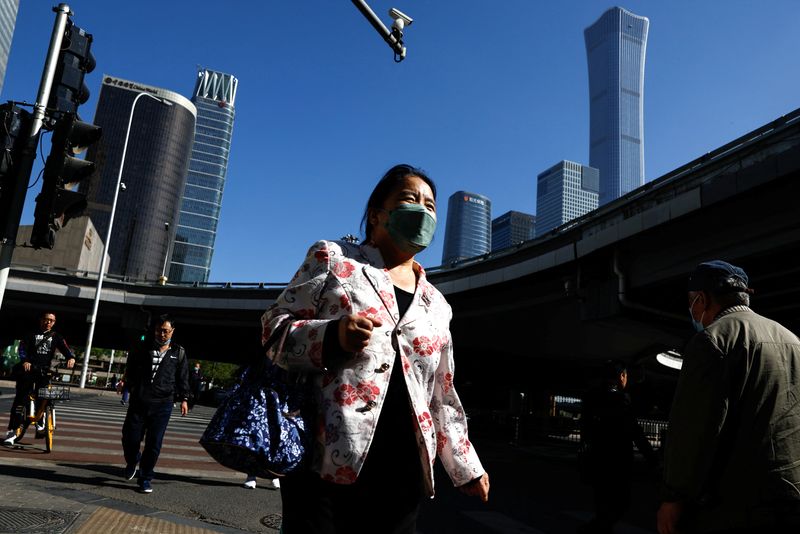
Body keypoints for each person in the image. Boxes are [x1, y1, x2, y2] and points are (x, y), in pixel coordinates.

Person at [261, 164, 490, 533]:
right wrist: (331, 335)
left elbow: (442, 395)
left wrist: (466, 467)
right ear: (376, 215)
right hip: (327, 461)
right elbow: (274, 328)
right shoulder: (335, 259)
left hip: (404, 471)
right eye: (409, 199)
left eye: (430, 205)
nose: (423, 211)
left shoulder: (437, 304)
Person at [657, 261, 800, 534]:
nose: (692, 309)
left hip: (737, 503)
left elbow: (694, 429)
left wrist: (673, 496)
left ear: (702, 298)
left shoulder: (713, 340)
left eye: (691, 301)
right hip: (790, 495)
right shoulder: (793, 340)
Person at [579, 360, 657, 534]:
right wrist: (652, 457)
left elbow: (585, 430)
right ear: (622, 376)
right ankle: (591, 531)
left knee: (602, 503)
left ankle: (596, 530)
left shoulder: (591, 396)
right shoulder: (620, 398)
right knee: (621, 503)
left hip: (596, 460)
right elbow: (634, 431)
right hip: (618, 462)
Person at [117, 314, 190, 494]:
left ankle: (146, 478)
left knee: (154, 443)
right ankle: (133, 459)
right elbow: (131, 370)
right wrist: (125, 383)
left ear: (172, 331)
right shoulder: (142, 348)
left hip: (163, 404)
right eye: (159, 330)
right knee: (130, 438)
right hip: (139, 401)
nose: (161, 334)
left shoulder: (178, 352)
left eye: (165, 331)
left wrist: (185, 399)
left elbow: (183, 378)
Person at [4, 312, 75, 446]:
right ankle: (12, 432)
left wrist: (70, 357)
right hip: (28, 370)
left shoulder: (56, 336)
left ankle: (40, 421)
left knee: (44, 397)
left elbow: (65, 349)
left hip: (45, 371)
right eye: (46, 319)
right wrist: (25, 360)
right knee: (20, 400)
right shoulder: (30, 334)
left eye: (51, 320)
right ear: (41, 320)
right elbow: (22, 348)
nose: (48, 322)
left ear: (54, 323)